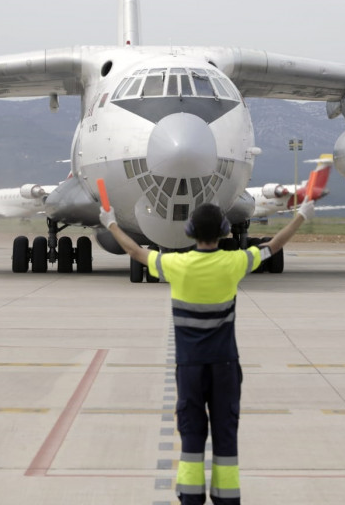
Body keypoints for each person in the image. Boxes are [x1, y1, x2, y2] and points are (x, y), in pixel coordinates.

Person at [100, 200, 315, 505]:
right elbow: (272, 246)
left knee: (191, 436)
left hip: (189, 367)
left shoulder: (176, 266)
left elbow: (136, 252)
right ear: (224, 232)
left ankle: (190, 498)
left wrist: (110, 223)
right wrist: (300, 217)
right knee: (226, 434)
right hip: (225, 366)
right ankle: (227, 499)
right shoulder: (235, 263)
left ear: (189, 232)